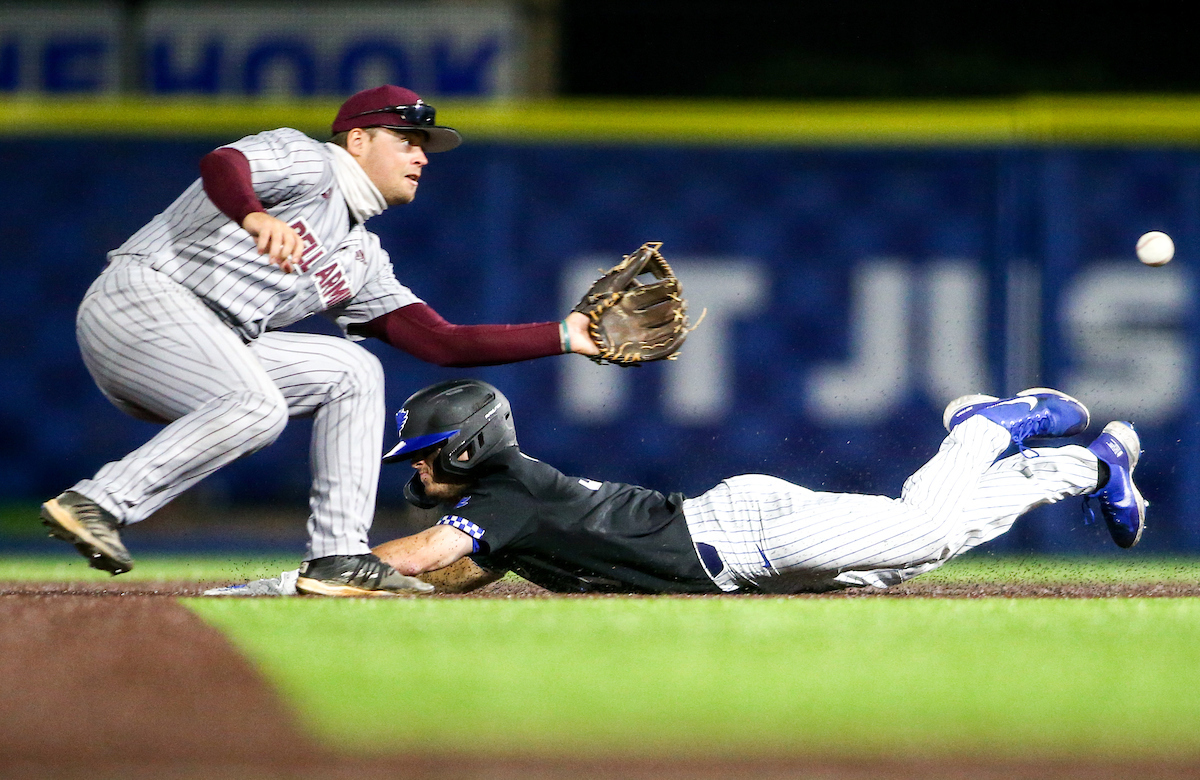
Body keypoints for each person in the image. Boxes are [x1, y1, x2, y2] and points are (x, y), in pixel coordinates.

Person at [40, 85, 604, 598]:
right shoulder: (313, 163)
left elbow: (441, 341)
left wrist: (566, 335)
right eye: (407, 140)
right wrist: (254, 215)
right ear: (358, 140)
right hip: (143, 299)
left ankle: (337, 558)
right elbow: (224, 163)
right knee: (257, 406)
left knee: (352, 372)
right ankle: (97, 502)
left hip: (210, 343)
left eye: (423, 146)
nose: (421, 157)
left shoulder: (361, 257)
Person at [207, 379, 1145, 597]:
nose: (417, 468)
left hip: (742, 533)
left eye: (428, 452)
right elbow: (455, 572)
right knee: (913, 558)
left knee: (919, 525)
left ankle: (991, 425)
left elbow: (422, 555)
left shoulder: (503, 487)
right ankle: (1087, 463)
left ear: (471, 447)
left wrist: (306, 581)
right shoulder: (504, 506)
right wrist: (394, 585)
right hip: (734, 559)